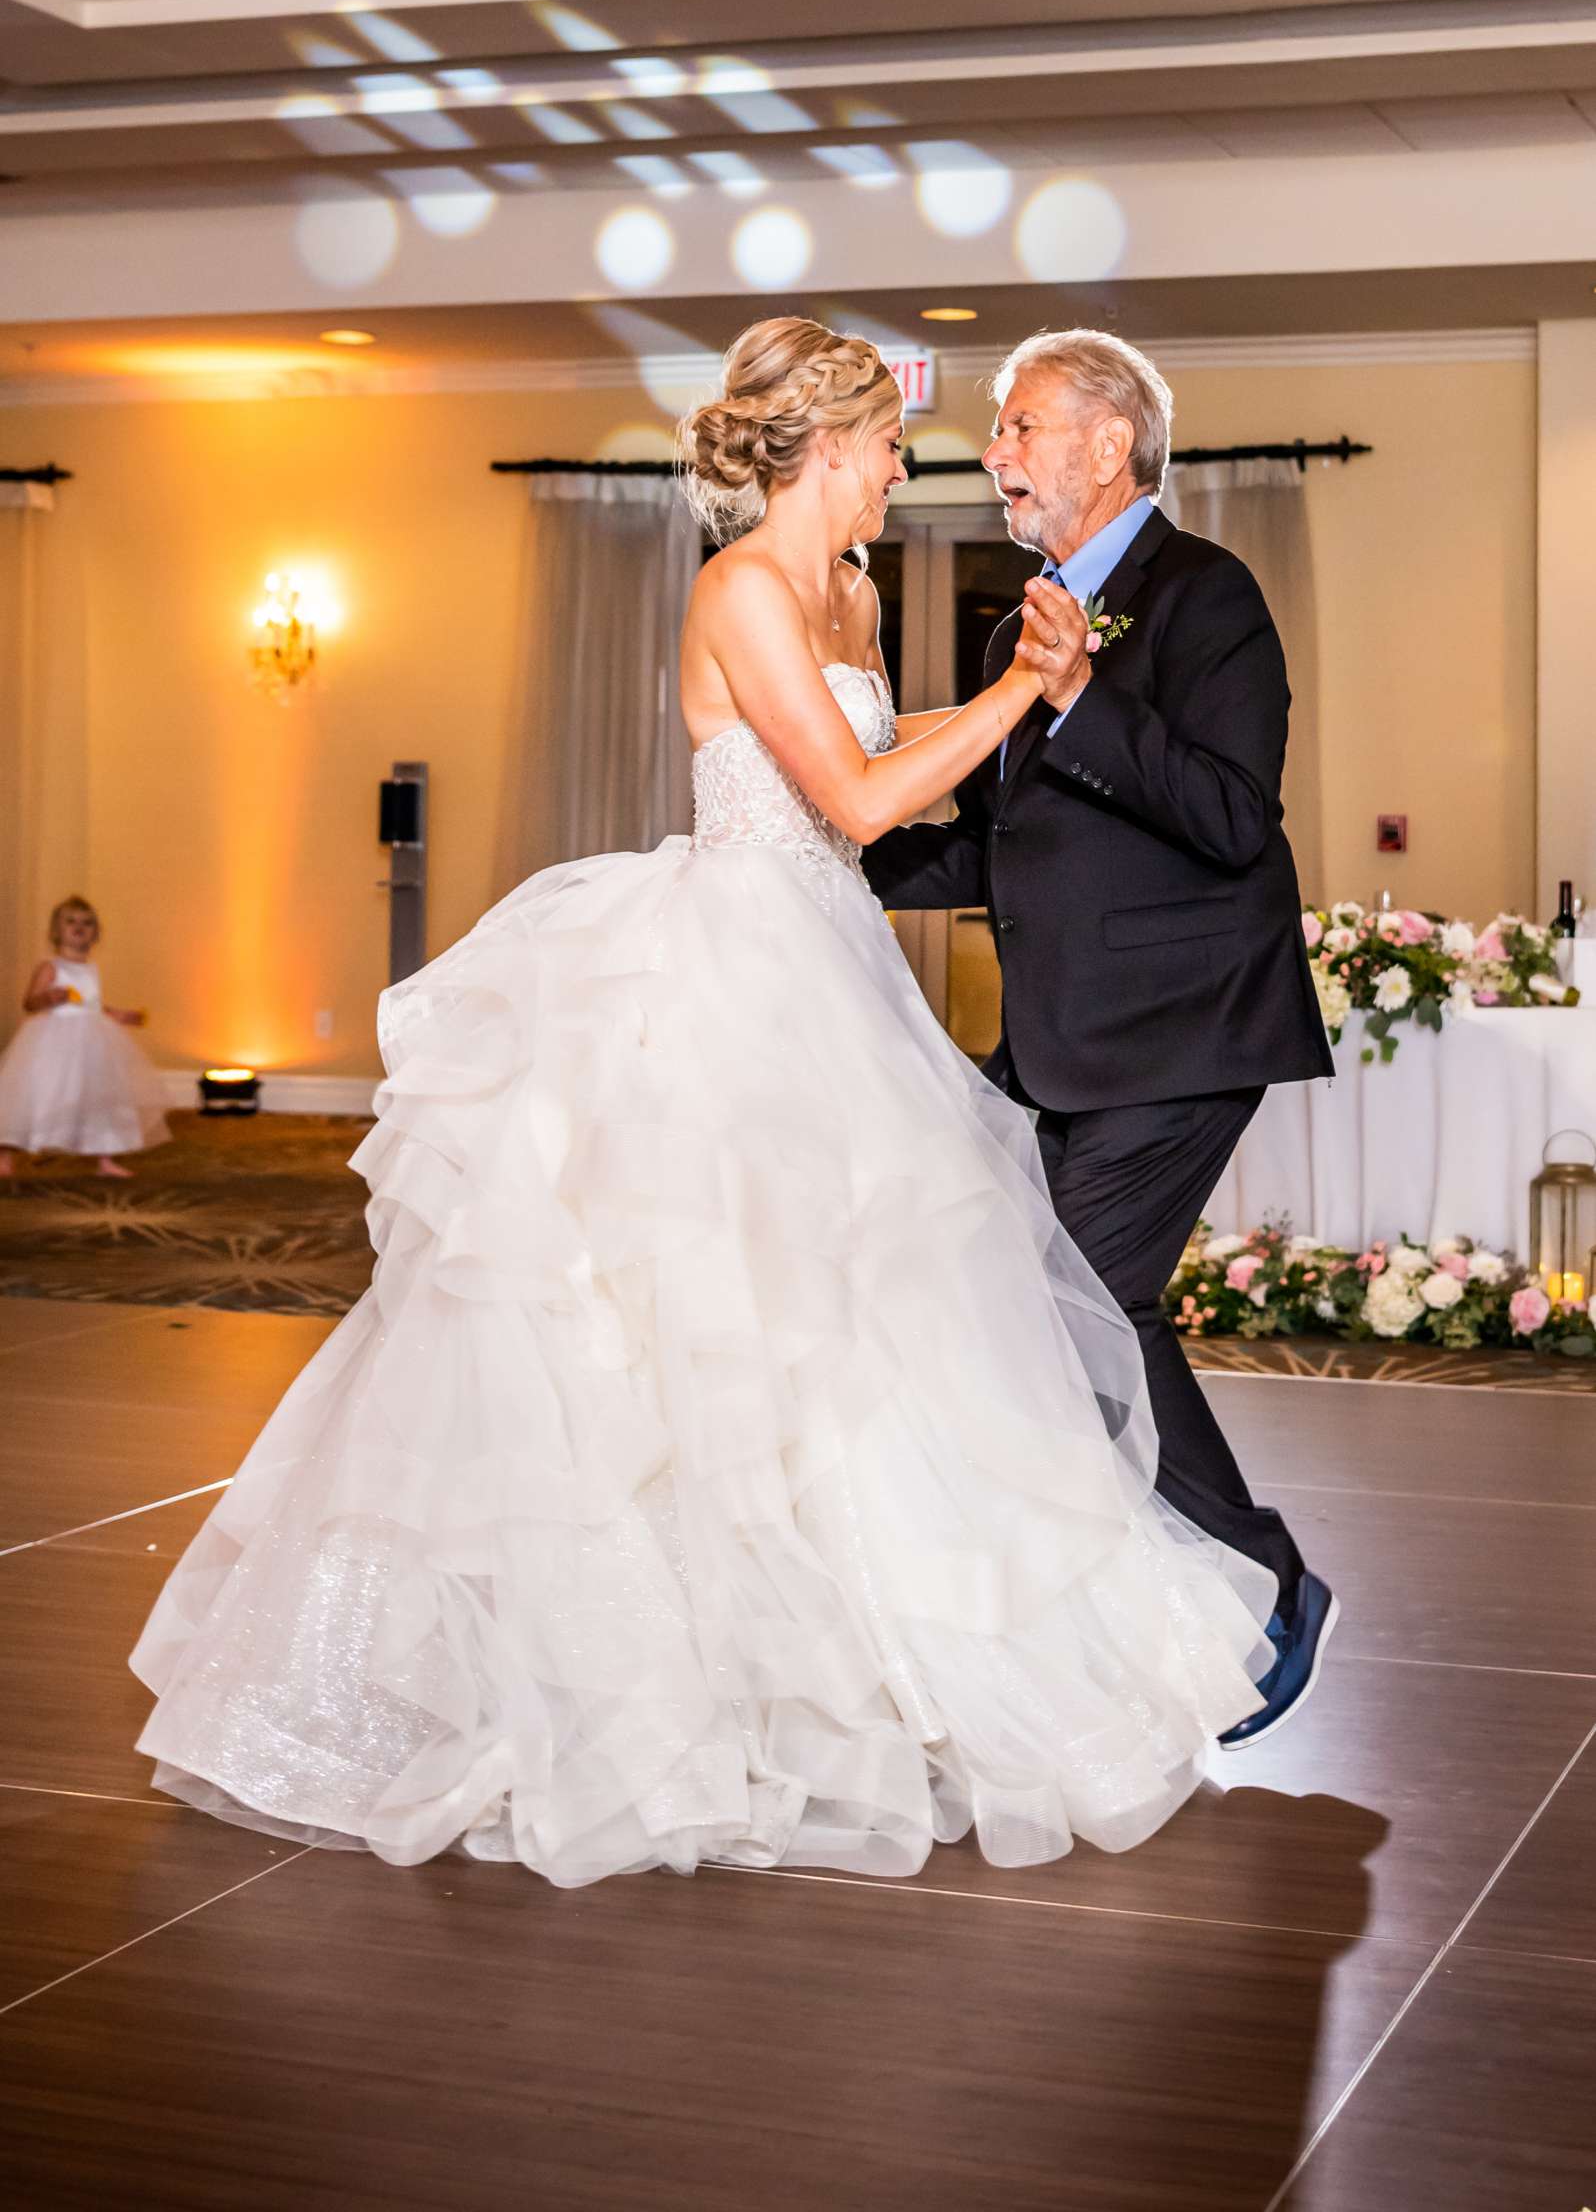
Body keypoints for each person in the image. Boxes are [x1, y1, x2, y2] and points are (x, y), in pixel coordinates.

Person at [131, 317, 1275, 1889]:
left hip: (831, 976)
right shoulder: (737, 589)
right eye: (890, 450)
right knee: (689, 1327)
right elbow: (864, 800)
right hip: (727, 974)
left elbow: (911, 767)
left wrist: (1013, 708)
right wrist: (1028, 681)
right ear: (827, 442)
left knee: (858, 1330)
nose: (905, 474)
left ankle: (841, 1670)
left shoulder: (856, 595)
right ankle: (637, 1688)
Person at [863, 329, 1337, 1751]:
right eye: (999, 434)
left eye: (1017, 428)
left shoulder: (1207, 597)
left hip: (1184, 1039)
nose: (993, 454)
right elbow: (1012, 850)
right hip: (1063, 1043)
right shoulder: (1028, 624)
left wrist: (1080, 697)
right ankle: (1106, 1608)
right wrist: (834, 857)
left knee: (1076, 1306)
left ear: (1107, 445)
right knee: (1000, 1296)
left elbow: (1229, 818)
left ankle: (1265, 1586)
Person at [0, 894, 169, 1181]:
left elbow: (90, 1006)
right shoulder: (51, 967)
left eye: (87, 923)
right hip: (54, 1043)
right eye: (71, 921)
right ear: (56, 930)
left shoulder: (91, 969)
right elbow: (29, 1002)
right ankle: (5, 1153)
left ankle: (105, 1158)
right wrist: (48, 996)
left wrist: (119, 1015)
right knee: (39, 1096)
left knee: (100, 1097)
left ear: (96, 933)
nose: (79, 927)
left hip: (91, 1042)